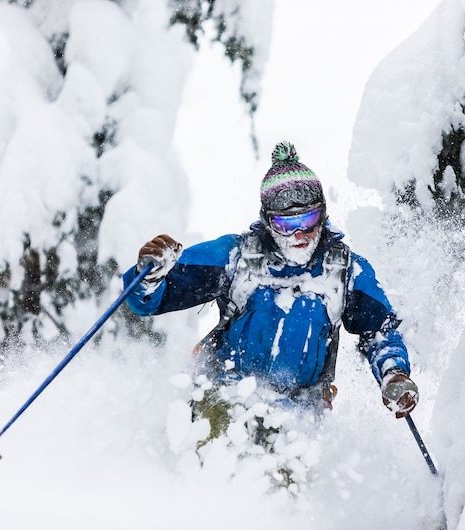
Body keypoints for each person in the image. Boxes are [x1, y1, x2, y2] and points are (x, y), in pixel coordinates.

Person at [123, 141, 418, 422]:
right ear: (267, 220)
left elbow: (380, 330)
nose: (299, 234)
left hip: (298, 413)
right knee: (224, 452)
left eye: (308, 219)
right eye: (286, 224)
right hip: (224, 395)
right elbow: (149, 300)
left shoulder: (343, 271)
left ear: (323, 213)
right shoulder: (236, 257)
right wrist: (149, 276)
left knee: (284, 472)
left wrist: (393, 373)